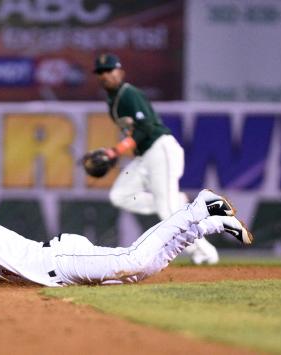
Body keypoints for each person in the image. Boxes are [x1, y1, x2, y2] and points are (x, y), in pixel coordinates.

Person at [0, 178, 251, 287]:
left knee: (133, 259)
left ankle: (199, 207)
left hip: (61, 260)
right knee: (140, 271)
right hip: (60, 270)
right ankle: (211, 224)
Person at [91, 53, 219, 265]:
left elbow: (146, 126)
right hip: (145, 155)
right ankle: (175, 201)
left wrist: (117, 150)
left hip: (161, 149)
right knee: (121, 195)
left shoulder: (128, 94)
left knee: (167, 210)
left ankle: (206, 252)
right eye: (101, 72)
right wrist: (116, 150)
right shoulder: (113, 99)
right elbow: (134, 132)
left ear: (120, 72)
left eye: (109, 70)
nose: (105, 75)